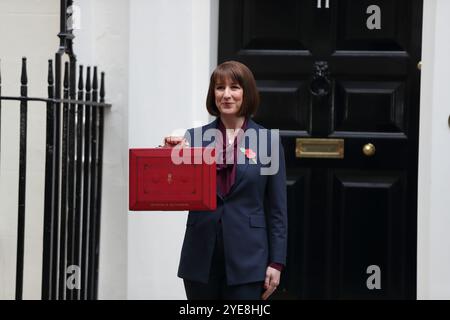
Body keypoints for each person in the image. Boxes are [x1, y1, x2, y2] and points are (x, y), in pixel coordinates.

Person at [164, 60, 287, 300]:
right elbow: (171, 189)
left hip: (249, 258)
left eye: (235, 87)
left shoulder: (268, 141)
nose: (227, 95)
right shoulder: (194, 138)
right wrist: (167, 154)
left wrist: (277, 262)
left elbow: (277, 209)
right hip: (200, 256)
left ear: (247, 93)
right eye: (220, 88)